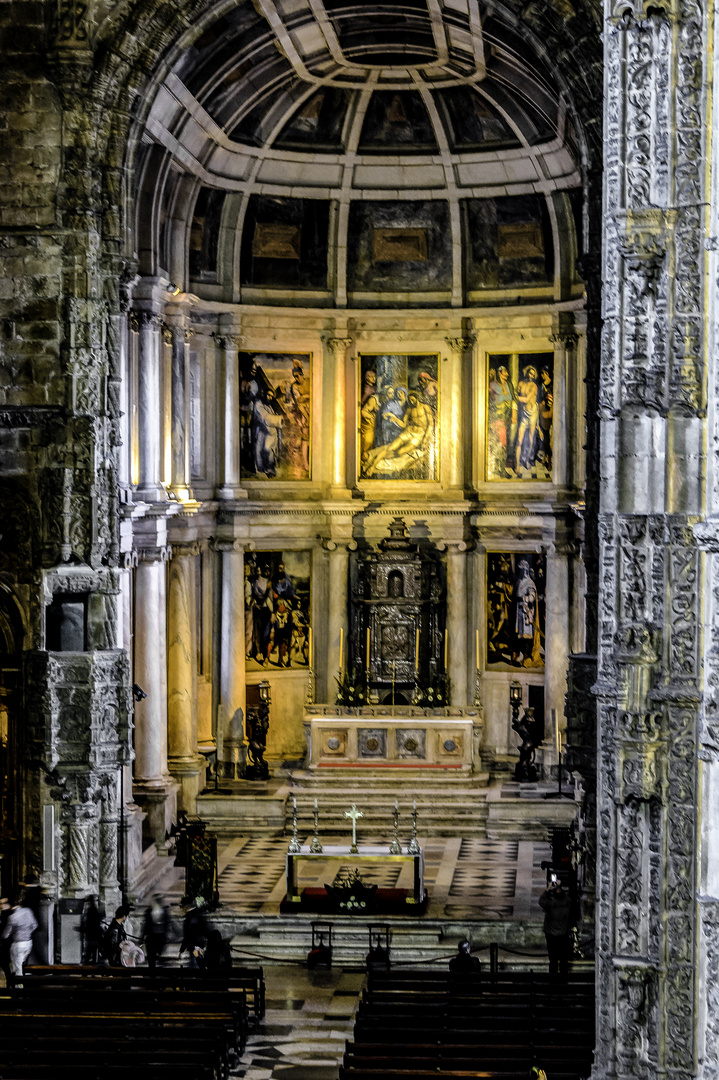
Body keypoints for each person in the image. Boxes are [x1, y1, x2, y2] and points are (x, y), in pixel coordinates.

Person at [539, 878, 574, 977]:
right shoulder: (567, 902)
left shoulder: (550, 903)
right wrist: (559, 886)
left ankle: (553, 981)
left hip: (551, 934)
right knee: (563, 960)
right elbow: (570, 898)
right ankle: (563, 982)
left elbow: (541, 901)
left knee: (553, 960)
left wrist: (548, 889)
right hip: (563, 934)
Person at [2, 891, 38, 984]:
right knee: (17, 966)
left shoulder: (12, 917)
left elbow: (5, 935)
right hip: (28, 943)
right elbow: (35, 925)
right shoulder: (28, 911)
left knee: (18, 971)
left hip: (18, 945)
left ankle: (19, 992)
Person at [143, 894, 171, 972]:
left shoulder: (163, 911)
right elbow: (146, 925)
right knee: (152, 957)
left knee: (157, 956)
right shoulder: (150, 911)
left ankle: (156, 971)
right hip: (153, 937)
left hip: (159, 937)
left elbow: (167, 924)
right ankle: (153, 972)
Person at [80, 894, 103, 964]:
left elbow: (89, 924)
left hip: (91, 936)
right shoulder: (95, 910)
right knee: (93, 955)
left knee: (88, 954)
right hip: (94, 936)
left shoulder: (91, 910)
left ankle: (87, 971)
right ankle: (90, 970)